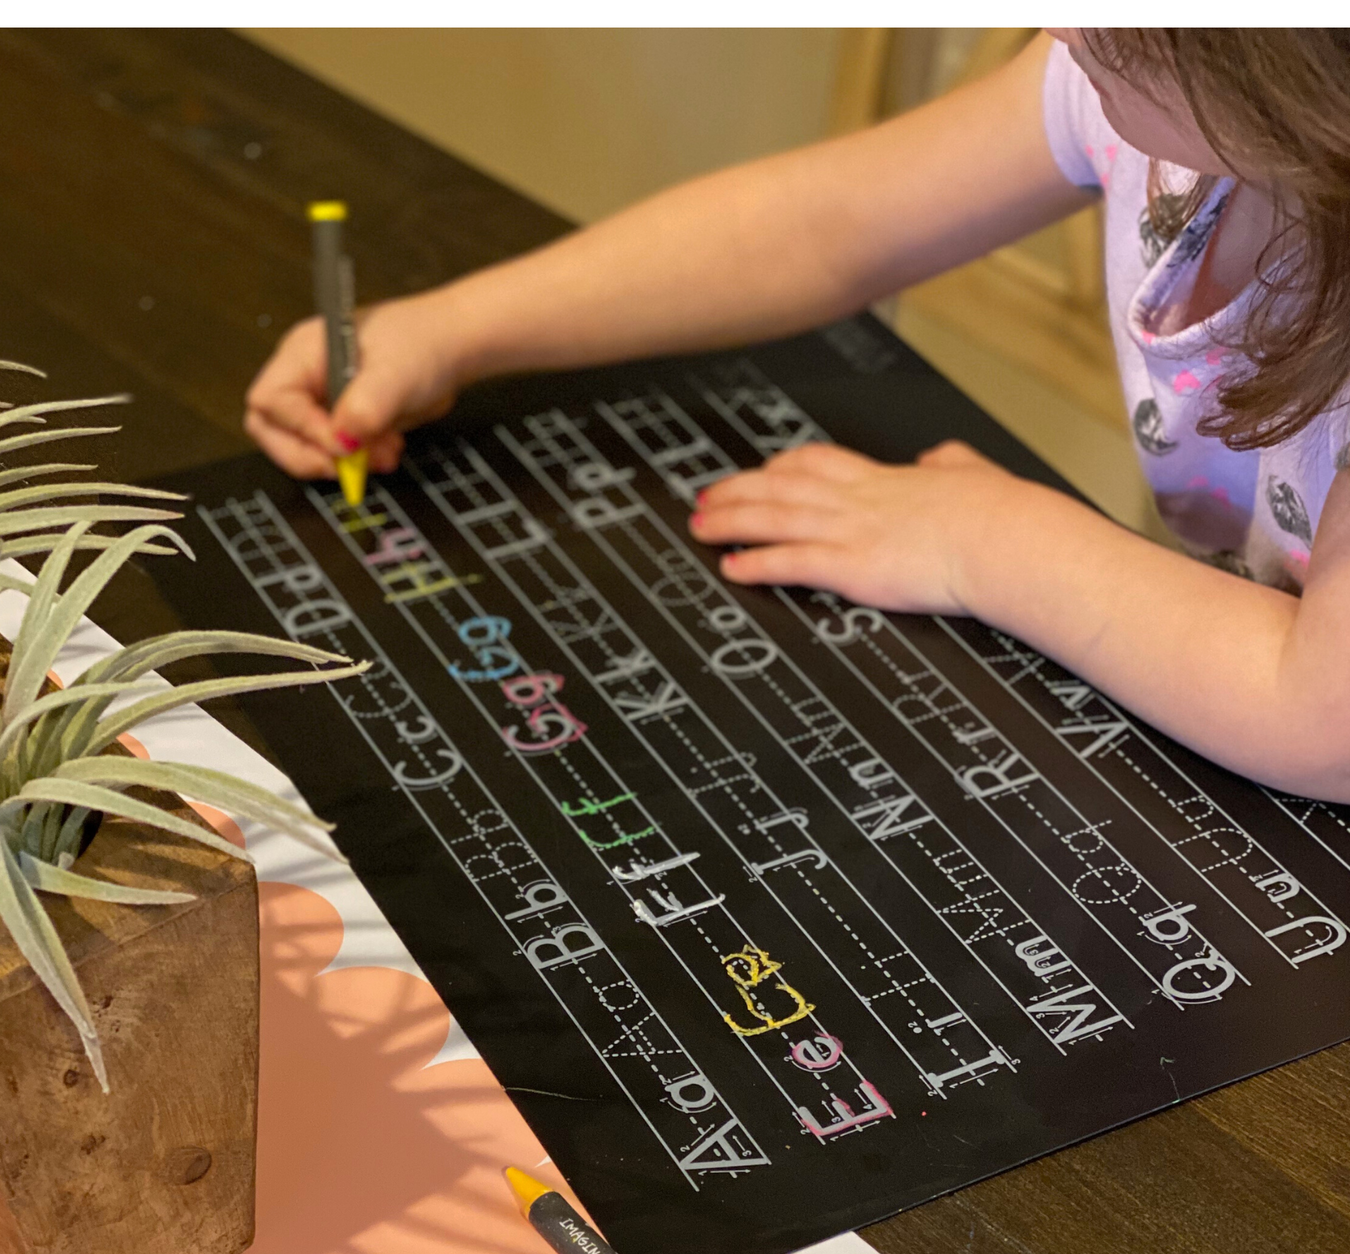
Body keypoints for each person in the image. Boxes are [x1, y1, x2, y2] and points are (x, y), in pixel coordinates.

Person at [245, 29, 1350, 804]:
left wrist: (986, 539)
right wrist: (453, 329)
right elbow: (820, 226)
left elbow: (1318, 721)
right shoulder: (1146, 90)